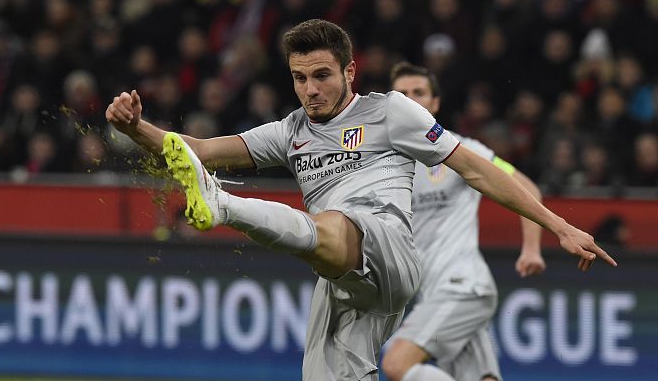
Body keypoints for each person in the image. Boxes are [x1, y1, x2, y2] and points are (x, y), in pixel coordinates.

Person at [106, 19, 616, 381]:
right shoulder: (290, 131)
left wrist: (559, 226)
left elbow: (477, 169)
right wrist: (135, 128)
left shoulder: (392, 111)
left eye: (322, 75)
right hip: (343, 279)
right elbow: (196, 151)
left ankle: (222, 206)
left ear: (350, 71)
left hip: (388, 248)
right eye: (300, 78)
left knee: (331, 223)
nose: (310, 89)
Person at [385, 62, 547, 381]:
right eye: (402, 94)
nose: (411, 100)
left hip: (462, 287)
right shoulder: (383, 162)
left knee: (396, 364)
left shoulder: (462, 151)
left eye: (419, 92)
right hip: (436, 294)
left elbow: (526, 187)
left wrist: (531, 248)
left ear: (435, 103)